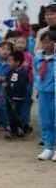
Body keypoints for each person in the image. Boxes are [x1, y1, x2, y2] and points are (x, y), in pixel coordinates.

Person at [34, 31, 56, 160]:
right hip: (43, 92)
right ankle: (48, 147)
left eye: (50, 41)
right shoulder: (38, 58)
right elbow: (37, 73)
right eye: (44, 41)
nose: (47, 44)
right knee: (45, 120)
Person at [4, 50, 30, 139]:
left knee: (15, 114)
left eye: (10, 61)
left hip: (17, 98)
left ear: (18, 62)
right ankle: (13, 130)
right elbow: (7, 79)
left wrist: (13, 88)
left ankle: (21, 129)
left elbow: (21, 85)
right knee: (10, 114)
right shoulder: (11, 71)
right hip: (9, 97)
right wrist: (6, 84)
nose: (9, 63)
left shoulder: (22, 73)